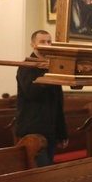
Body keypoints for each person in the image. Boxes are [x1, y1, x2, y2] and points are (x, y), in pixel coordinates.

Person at [15, 30, 68, 166]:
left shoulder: (53, 67)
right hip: (33, 130)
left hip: (50, 130)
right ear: (33, 45)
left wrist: (62, 133)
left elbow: (58, 102)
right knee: (41, 172)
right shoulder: (26, 66)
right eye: (42, 42)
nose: (46, 45)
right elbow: (31, 92)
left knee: (49, 170)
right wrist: (48, 77)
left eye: (49, 42)